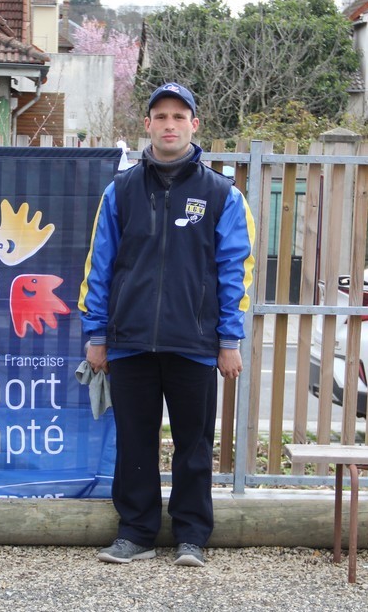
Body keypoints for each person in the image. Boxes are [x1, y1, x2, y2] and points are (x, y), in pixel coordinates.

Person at [78, 82, 255, 567]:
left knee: (193, 446)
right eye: (161, 116)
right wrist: (97, 334)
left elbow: (236, 271)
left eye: (180, 116)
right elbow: (100, 265)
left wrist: (229, 338)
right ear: (148, 125)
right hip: (130, 341)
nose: (170, 124)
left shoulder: (222, 194)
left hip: (195, 344)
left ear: (195, 125)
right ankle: (135, 532)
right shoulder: (121, 190)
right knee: (134, 442)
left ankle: (192, 536)